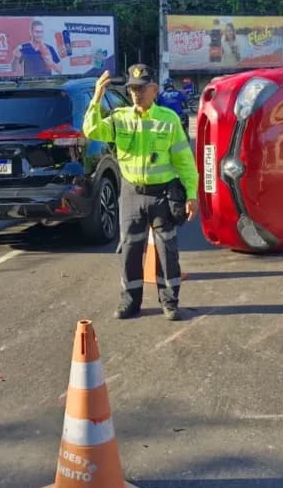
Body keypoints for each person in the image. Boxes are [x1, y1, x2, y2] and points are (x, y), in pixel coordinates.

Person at [82, 64, 199, 321]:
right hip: (131, 194)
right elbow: (91, 130)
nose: (136, 93)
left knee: (167, 251)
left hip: (162, 195)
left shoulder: (168, 120)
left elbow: (185, 161)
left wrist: (192, 194)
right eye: (132, 88)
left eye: (141, 88)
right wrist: (97, 97)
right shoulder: (120, 118)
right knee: (130, 250)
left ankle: (169, 303)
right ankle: (130, 303)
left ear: (154, 90)